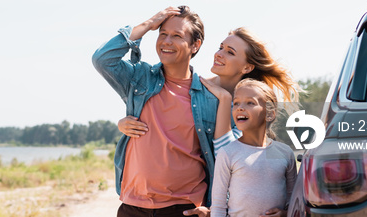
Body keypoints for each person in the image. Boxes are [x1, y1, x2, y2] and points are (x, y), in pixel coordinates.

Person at [117, 27, 300, 215]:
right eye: (221, 47)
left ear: (247, 67)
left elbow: (231, 155)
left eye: (229, 52)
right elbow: (163, 116)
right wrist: (126, 121)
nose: (219, 54)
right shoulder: (198, 91)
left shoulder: (251, 105)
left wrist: (226, 100)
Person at [92, 5, 215, 217]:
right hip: (132, 207)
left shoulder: (209, 97)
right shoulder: (140, 78)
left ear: (195, 45)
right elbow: (102, 60)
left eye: (177, 35)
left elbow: (224, 156)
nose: (166, 41)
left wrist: (215, 208)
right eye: (163, 33)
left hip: (184, 208)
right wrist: (148, 24)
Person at [205, 78, 297, 217]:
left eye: (250, 103)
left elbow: (293, 201)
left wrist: (284, 214)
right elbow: (218, 206)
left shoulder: (285, 153)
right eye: (236, 103)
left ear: (270, 114)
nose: (240, 108)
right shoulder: (227, 153)